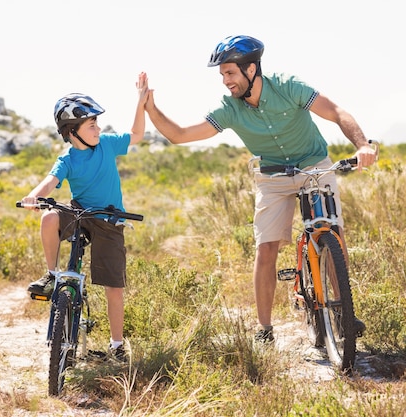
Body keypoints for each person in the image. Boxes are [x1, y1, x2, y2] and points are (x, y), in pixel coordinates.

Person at [144, 36, 377, 344]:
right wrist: (151, 107)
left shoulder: (289, 86)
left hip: (313, 165)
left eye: (230, 73)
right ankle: (264, 329)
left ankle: (343, 312)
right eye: (223, 75)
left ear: (251, 69)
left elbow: (336, 112)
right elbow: (180, 135)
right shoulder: (229, 109)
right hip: (272, 176)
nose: (226, 81)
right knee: (266, 248)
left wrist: (362, 145)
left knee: (331, 231)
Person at [21, 72, 149, 360]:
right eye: (92, 125)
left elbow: (137, 135)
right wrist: (34, 196)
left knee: (113, 285)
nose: (98, 128)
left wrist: (140, 102)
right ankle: (53, 275)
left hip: (108, 218)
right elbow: (50, 182)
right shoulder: (68, 159)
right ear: (72, 131)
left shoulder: (107, 144)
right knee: (50, 217)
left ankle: (117, 346)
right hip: (79, 213)